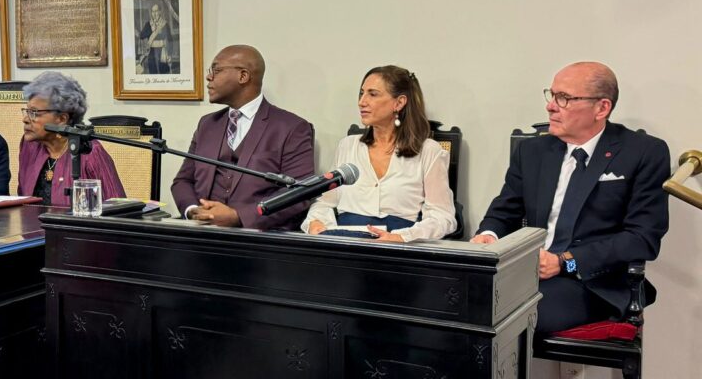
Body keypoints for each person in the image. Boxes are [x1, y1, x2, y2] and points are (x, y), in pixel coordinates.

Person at [471, 62, 670, 334]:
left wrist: (566, 261)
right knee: (457, 306)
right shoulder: (533, 152)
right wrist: (489, 235)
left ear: (601, 108)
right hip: (526, 274)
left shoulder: (643, 152)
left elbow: (642, 238)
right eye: (551, 95)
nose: (551, 106)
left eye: (563, 98)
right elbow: (503, 212)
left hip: (593, 282)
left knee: (509, 320)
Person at [302, 66, 456, 242]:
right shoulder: (348, 146)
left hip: (398, 250)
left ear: (399, 103)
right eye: (361, 93)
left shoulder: (429, 151)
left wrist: (402, 237)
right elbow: (325, 203)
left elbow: (442, 217)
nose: (362, 102)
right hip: (346, 246)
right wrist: (315, 223)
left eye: (372, 94)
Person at [171, 45, 315, 230]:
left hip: (258, 240)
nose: (209, 77)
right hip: (201, 233)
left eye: (217, 70)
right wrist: (193, 210)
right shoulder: (207, 124)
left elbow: (299, 194)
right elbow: (183, 180)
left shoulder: (292, 128)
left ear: (243, 76)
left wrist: (239, 216)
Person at [17, 72, 125, 205]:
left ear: (62, 119)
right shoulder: (30, 146)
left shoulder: (90, 152)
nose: (25, 119)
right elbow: (22, 201)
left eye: (34, 113)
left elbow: (117, 206)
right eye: (27, 111)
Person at [136, 3, 177, 74]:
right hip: (151, 52)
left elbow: (170, 40)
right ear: (151, 13)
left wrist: (170, 54)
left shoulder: (165, 24)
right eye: (153, 11)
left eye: (156, 11)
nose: (155, 14)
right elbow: (141, 36)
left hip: (163, 51)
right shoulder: (148, 24)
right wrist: (150, 30)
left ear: (160, 12)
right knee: (153, 72)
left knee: (163, 73)